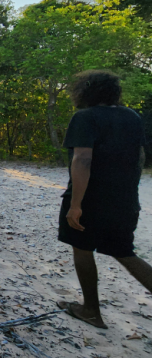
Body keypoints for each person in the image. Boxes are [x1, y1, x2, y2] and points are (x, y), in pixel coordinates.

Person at [57, 70, 150, 329]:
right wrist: (128, 192)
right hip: (124, 200)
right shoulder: (132, 116)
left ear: (85, 91)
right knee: (125, 252)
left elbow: (83, 159)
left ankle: (90, 310)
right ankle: (89, 309)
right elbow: (140, 157)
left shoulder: (85, 117)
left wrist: (76, 205)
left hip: (90, 199)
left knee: (82, 246)